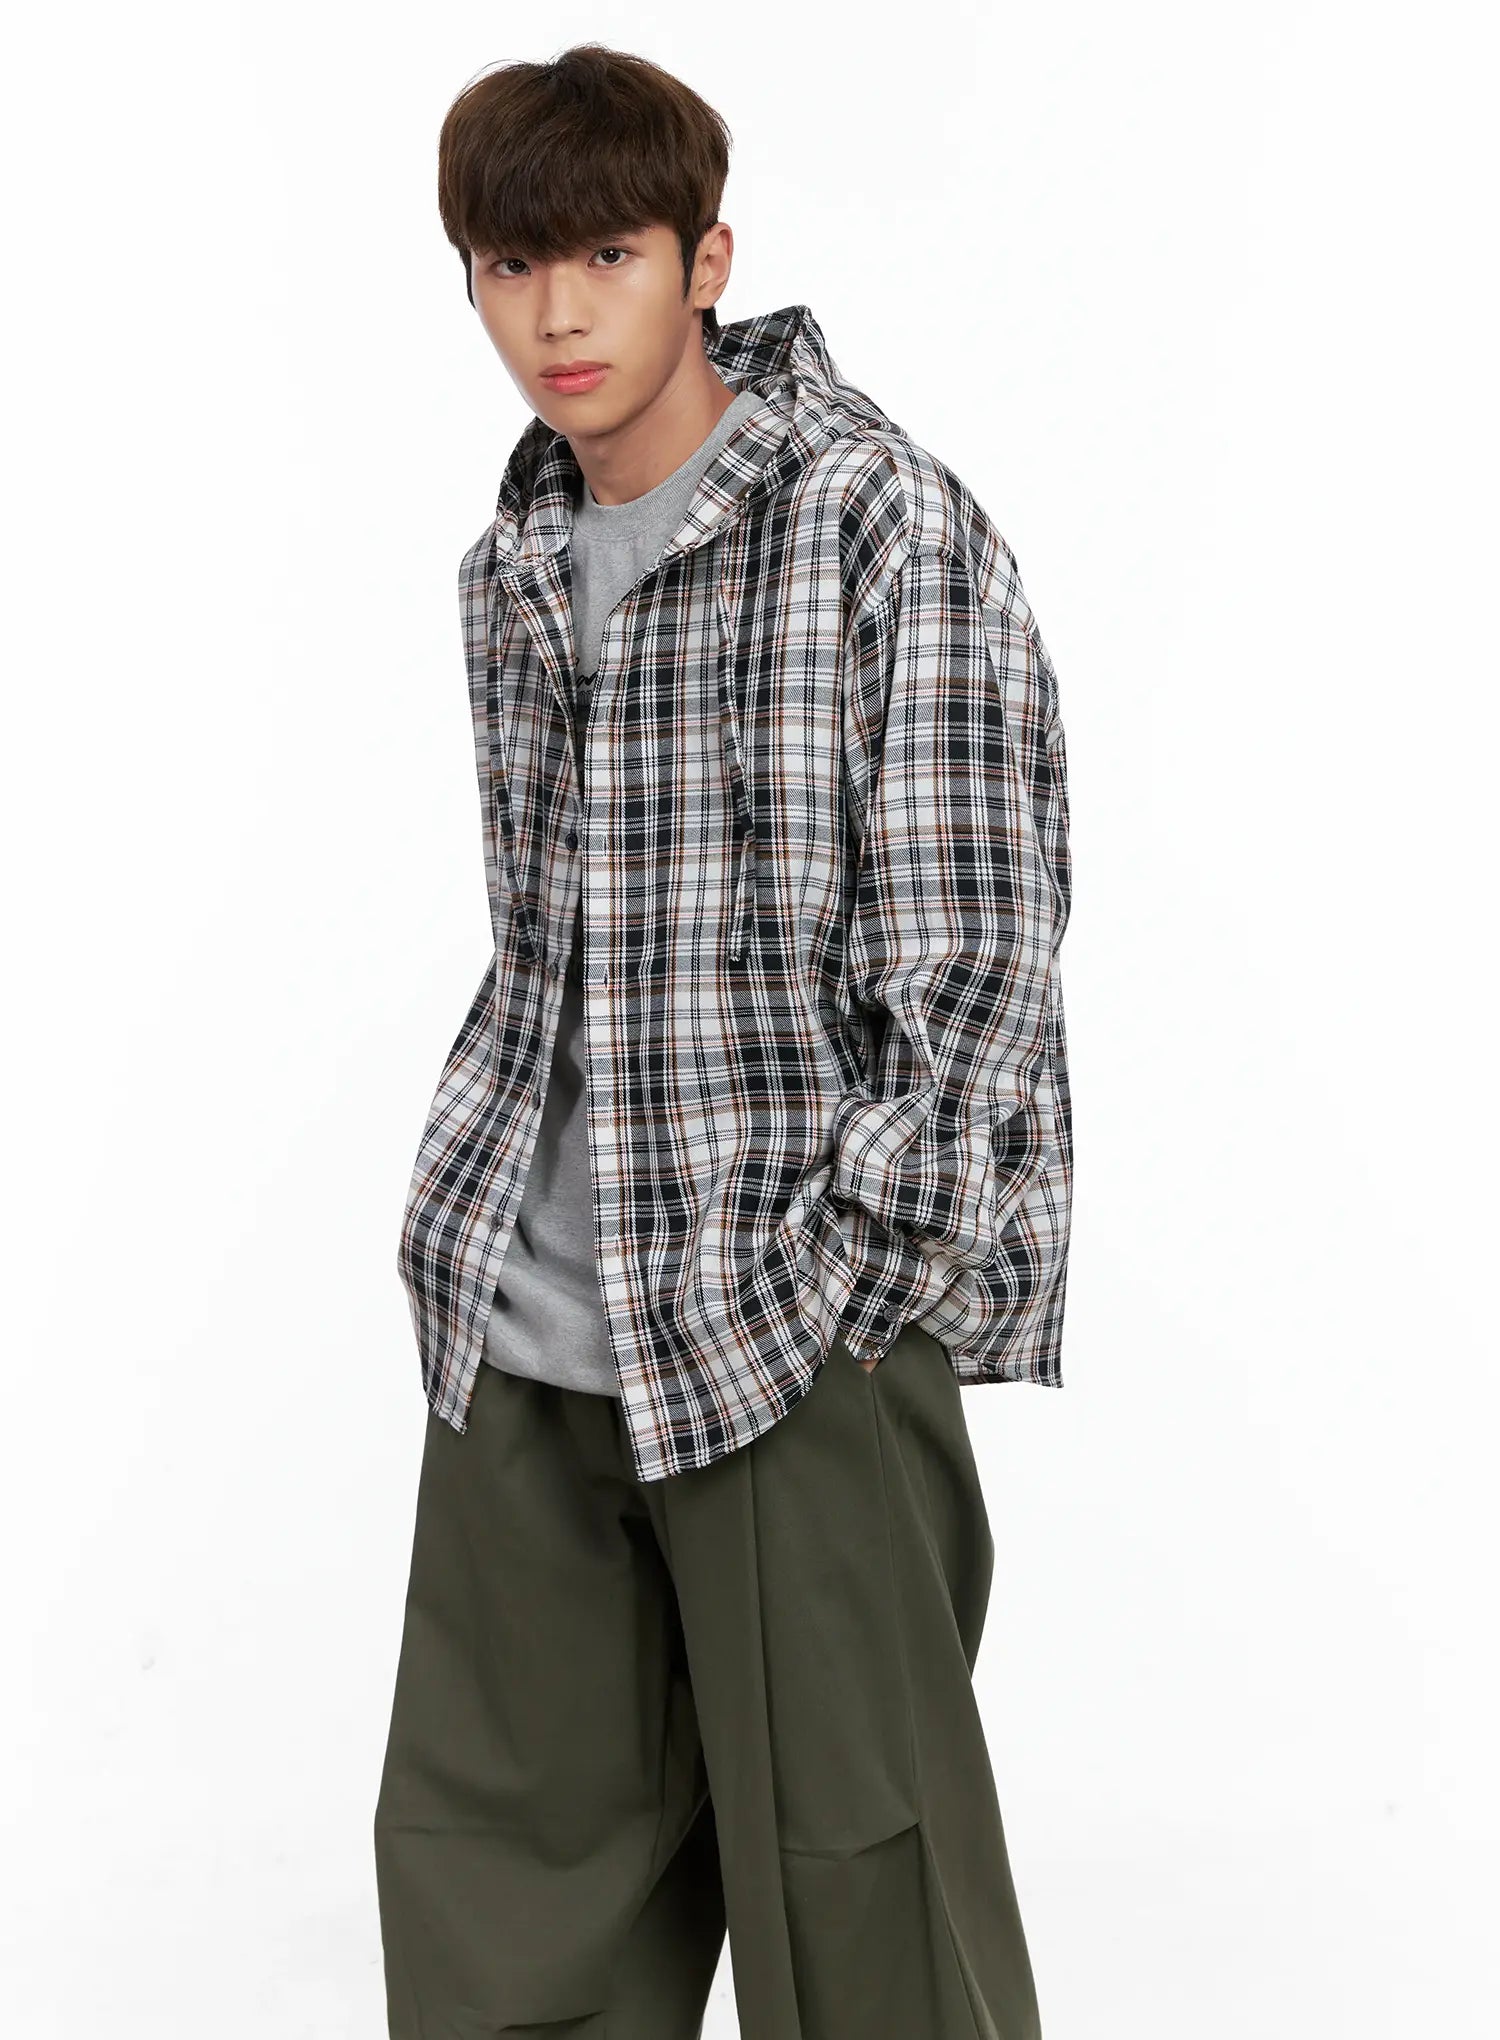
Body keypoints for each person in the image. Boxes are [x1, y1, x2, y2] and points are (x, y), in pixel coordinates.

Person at [374, 40, 1073, 2040]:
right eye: (513, 266)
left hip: (790, 1332)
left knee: (867, 1918)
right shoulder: (514, 564)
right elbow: (558, 952)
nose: (559, 313)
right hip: (528, 1331)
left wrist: (850, 1279)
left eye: (608, 254)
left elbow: (978, 961)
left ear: (707, 260)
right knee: (498, 1911)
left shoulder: (876, 522)